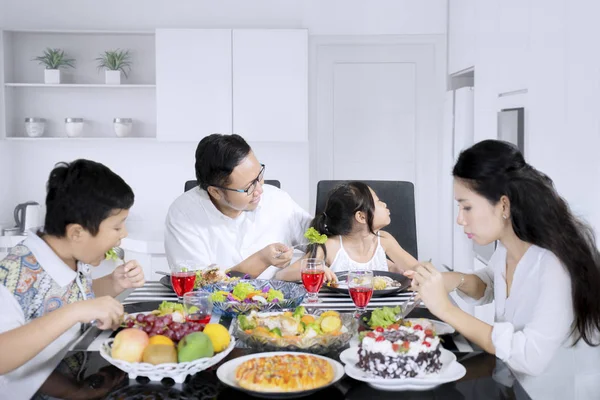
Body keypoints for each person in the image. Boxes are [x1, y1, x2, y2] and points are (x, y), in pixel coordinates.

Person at [408, 140, 600, 398]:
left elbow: (530, 356)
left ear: (504, 206)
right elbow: (489, 284)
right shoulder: (509, 247)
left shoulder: (555, 266)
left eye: (467, 207)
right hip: (509, 386)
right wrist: (449, 280)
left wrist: (445, 308)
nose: (460, 219)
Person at [0, 160, 145, 399]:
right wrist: (75, 311)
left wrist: (114, 283)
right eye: (117, 227)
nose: (124, 234)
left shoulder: (71, 255)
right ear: (77, 232)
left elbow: (77, 296)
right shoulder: (12, 274)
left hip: (72, 382)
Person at [165, 134, 312, 279]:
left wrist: (289, 273)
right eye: (248, 187)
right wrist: (261, 259)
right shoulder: (183, 214)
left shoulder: (278, 200)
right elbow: (198, 285)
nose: (260, 190)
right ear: (216, 192)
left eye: (259, 176)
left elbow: (327, 241)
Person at [276, 181, 418, 281]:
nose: (385, 204)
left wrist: (402, 272)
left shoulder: (384, 240)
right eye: (378, 201)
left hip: (381, 311)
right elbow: (282, 274)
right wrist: (314, 270)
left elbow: (415, 267)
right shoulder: (330, 246)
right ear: (361, 217)